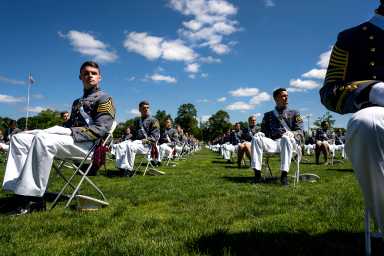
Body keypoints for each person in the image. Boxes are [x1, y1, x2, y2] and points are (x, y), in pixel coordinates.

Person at [2, 61, 115, 214]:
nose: (90, 76)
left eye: (93, 73)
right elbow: (69, 124)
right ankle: (17, 190)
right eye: (86, 73)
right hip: (72, 142)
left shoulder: (105, 98)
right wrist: (56, 130)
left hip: (89, 146)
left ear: (99, 77)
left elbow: (101, 129)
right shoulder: (77, 102)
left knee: (42, 139)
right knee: (19, 138)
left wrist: (67, 132)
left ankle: (33, 199)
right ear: (80, 77)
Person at [320, 0, 384, 229]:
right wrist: (373, 90)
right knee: (367, 122)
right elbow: (330, 92)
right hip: (379, 112)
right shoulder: (351, 38)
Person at [251, 88, 304, 185]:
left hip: (290, 143)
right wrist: (261, 133)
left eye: (287, 96)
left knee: (285, 138)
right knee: (256, 138)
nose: (286, 98)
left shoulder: (295, 113)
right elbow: (264, 131)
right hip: (274, 142)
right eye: (283, 96)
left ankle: (284, 176)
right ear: (276, 99)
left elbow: (301, 131)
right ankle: (257, 175)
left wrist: (293, 133)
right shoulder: (268, 115)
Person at [114, 101, 160, 176]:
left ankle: (128, 170)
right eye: (144, 108)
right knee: (120, 145)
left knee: (130, 146)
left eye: (148, 108)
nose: (146, 109)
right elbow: (134, 134)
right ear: (140, 109)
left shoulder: (154, 120)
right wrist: (127, 139)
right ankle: (120, 168)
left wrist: (147, 140)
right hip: (137, 142)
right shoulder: (137, 121)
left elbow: (155, 136)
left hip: (147, 145)